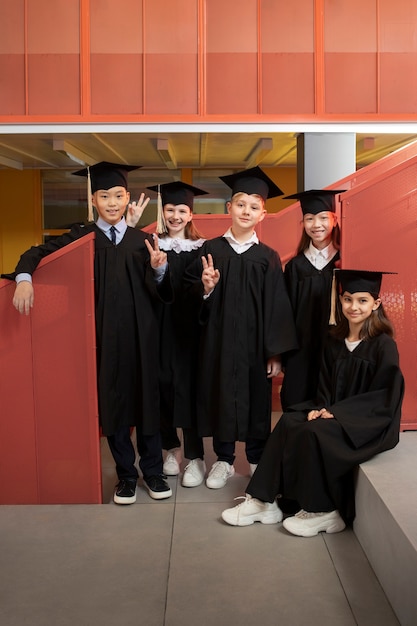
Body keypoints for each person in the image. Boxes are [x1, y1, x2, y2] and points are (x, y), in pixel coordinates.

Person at [4, 161, 173, 505]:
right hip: (101, 342)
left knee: (147, 406)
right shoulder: (82, 238)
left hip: (142, 341)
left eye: (118, 196)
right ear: (93, 199)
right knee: (113, 407)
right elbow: (36, 252)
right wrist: (23, 278)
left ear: (127, 199)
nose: (112, 202)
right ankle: (126, 476)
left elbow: (162, 294)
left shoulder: (144, 241)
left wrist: (159, 271)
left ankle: (153, 472)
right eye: (104, 196)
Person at [221, 269, 404, 536]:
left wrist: (337, 413)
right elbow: (326, 386)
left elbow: (383, 396)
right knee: (290, 420)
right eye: (348, 299)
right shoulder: (335, 342)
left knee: (313, 432)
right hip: (335, 413)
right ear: (340, 301)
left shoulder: (383, 345)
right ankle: (264, 501)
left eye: (363, 300)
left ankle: (325, 511)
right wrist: (321, 407)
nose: (354, 307)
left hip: (369, 423)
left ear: (376, 304)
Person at [183, 167, 298, 489]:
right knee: (219, 396)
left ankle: (257, 457)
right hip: (216, 344)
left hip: (254, 346)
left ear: (263, 214)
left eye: (253, 206)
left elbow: (278, 305)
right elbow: (188, 298)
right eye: (240, 203)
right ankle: (223, 460)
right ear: (228, 208)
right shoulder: (210, 251)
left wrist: (275, 352)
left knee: (257, 401)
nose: (246, 210)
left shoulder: (268, 257)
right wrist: (205, 289)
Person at [127, 180, 208, 487]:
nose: (175, 215)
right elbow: (143, 284)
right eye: (170, 209)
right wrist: (158, 270)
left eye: (182, 210)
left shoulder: (203, 248)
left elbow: (201, 288)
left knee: (190, 389)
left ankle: (196, 457)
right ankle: (170, 450)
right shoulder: (151, 244)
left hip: (191, 330)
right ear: (163, 212)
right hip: (159, 327)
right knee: (162, 386)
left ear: (191, 214)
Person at [280, 189, 345, 410]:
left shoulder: (345, 262)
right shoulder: (295, 266)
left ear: (335, 220)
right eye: (309, 219)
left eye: (323, 217)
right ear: (303, 223)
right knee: (296, 400)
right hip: (300, 350)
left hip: (336, 346)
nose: (316, 224)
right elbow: (285, 312)